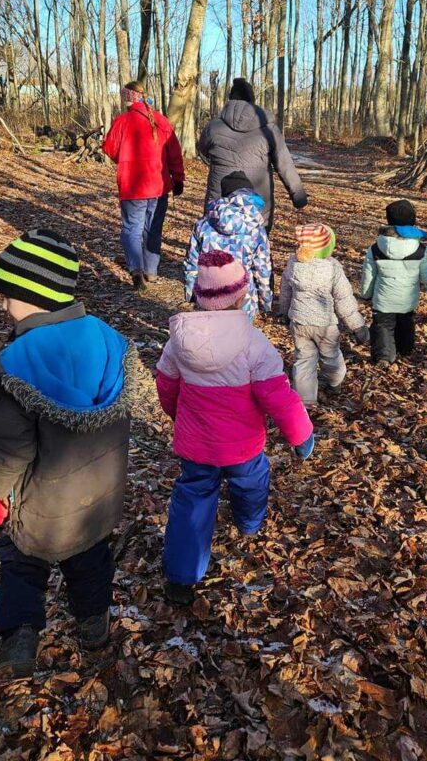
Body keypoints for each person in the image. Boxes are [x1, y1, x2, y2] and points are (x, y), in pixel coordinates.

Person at [0, 229, 138, 678]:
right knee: (91, 563)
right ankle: (95, 627)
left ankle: (19, 644)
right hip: (97, 500)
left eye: (10, 297)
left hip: (39, 506)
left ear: (37, 297)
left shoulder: (21, 363)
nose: (4, 306)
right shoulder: (107, 341)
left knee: (22, 566)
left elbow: (8, 448)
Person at [156, 250, 314, 605]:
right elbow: (280, 399)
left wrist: (175, 415)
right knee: (252, 481)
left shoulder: (179, 340)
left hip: (197, 445)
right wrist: (302, 437)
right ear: (242, 295)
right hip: (243, 446)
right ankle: (249, 521)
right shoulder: (254, 345)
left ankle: (182, 577)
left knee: (193, 499)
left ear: (198, 295)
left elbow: (166, 385)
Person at [103, 80, 185, 290]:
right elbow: (174, 153)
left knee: (132, 228)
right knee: (153, 229)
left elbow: (110, 148)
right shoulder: (161, 121)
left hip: (132, 187)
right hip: (158, 186)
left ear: (127, 99)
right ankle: (151, 271)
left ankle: (136, 270)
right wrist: (178, 179)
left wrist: (124, 161)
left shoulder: (122, 121)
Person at [197, 77, 307, 232]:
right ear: (252, 100)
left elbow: (202, 151)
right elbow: (284, 164)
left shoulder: (213, 127)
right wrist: (298, 195)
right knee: (256, 238)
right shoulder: (268, 129)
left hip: (220, 195)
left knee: (217, 238)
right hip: (258, 197)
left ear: (231, 98)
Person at [278, 223, 370, 408]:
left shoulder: (293, 263)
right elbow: (343, 298)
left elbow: (285, 291)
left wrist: (284, 311)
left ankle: (305, 399)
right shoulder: (333, 268)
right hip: (325, 323)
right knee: (331, 355)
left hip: (299, 322)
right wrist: (357, 326)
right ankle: (335, 382)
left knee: (304, 359)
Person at [361, 199, 427, 367]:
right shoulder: (420, 250)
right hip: (407, 300)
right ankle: (405, 348)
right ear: (413, 221)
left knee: (383, 326)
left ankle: (384, 356)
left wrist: (366, 294)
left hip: (383, 299)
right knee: (405, 321)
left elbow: (369, 274)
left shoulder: (376, 248)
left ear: (389, 221)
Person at [184, 170, 272, 318]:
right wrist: (266, 301)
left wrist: (191, 294)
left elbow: (191, 262)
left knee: (210, 338)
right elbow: (262, 269)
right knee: (240, 338)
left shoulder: (203, 224)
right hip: (243, 298)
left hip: (208, 295)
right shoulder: (256, 228)